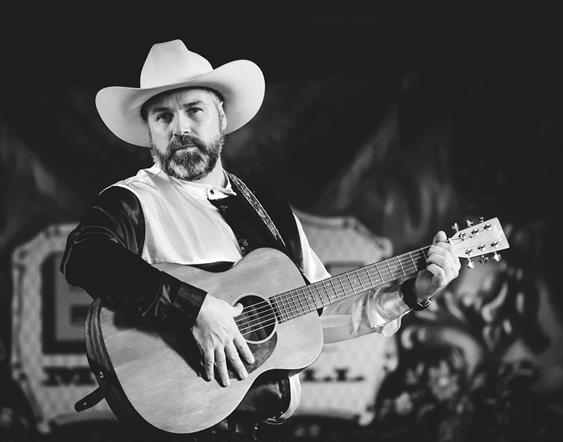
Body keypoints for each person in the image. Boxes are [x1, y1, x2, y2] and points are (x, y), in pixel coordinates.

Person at [60, 39, 461, 442]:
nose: (180, 127)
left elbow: (317, 316)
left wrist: (410, 294)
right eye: (163, 116)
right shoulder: (132, 200)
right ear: (150, 130)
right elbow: (85, 256)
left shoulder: (269, 210)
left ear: (220, 115)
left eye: (193, 110)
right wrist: (197, 309)